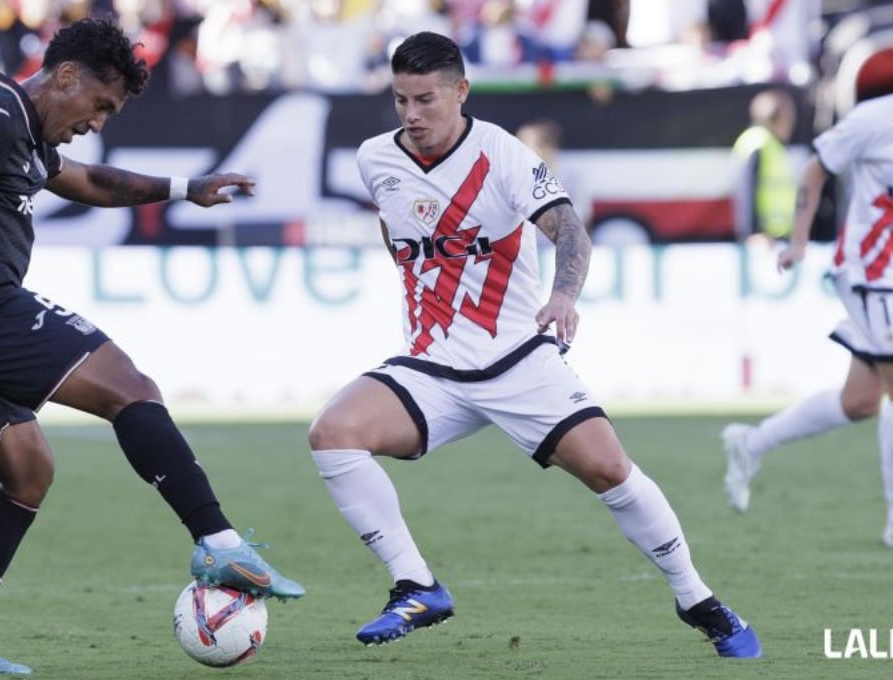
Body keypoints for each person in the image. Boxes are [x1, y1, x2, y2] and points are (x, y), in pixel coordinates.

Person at [0, 17, 304, 676]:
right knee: (132, 388)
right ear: (65, 76)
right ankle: (217, 540)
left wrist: (184, 189)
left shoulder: (30, 141)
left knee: (27, 475)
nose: (97, 120)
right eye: (99, 105)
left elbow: (92, 183)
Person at [307, 31, 761, 657]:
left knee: (609, 470)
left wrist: (564, 296)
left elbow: (570, 231)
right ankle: (416, 584)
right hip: (433, 366)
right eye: (401, 99)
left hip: (517, 358)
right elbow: (398, 232)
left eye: (426, 99)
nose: (411, 114)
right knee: (332, 434)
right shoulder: (375, 158)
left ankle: (699, 601)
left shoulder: (505, 156)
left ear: (461, 91)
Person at [721, 18, 893, 553]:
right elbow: (815, 170)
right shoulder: (875, 120)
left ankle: (751, 443)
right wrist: (801, 240)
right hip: (869, 271)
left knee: (860, 402)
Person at [731, 88, 797, 243]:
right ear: (774, 117)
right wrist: (753, 232)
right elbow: (747, 189)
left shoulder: (772, 145)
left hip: (776, 237)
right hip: (763, 239)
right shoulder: (758, 143)